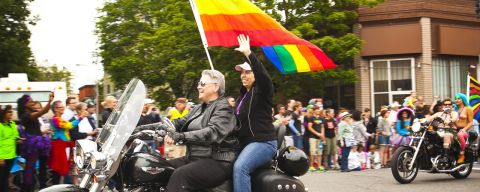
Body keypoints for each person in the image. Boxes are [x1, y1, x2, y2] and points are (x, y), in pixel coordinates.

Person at [163, 69, 238, 191]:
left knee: (180, 175)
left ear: (215, 87)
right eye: (198, 84)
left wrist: (182, 136)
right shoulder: (198, 108)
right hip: (193, 158)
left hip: (217, 161)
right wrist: (143, 128)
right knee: (159, 167)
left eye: (202, 84)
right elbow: (178, 122)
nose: (198, 87)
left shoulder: (224, 108)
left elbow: (213, 132)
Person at [232, 34, 277, 192]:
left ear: (255, 75)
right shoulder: (242, 98)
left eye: (247, 72)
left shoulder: (263, 90)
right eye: (241, 72)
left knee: (240, 168)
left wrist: (248, 53)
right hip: (245, 143)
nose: (243, 75)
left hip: (263, 142)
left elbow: (264, 76)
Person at [17, 94, 53, 191]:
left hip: (39, 143)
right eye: (30, 102)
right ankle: (28, 188)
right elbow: (44, 111)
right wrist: (49, 101)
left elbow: (36, 129)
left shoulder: (31, 112)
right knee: (30, 168)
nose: (33, 102)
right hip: (32, 145)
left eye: (33, 101)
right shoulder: (26, 115)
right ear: (25, 105)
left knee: (40, 167)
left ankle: (40, 186)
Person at [49, 100, 87, 184]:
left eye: (63, 107)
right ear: (55, 109)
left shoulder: (59, 119)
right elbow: (70, 125)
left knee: (63, 168)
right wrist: (81, 117)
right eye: (61, 107)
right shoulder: (56, 120)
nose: (63, 108)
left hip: (63, 147)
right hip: (59, 147)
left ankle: (63, 185)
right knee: (58, 169)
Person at [0, 105, 22, 192]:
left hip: (11, 155)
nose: (11, 113)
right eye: (9, 112)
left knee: (6, 177)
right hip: (3, 156)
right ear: (3, 113)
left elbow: (15, 137)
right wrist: (0, 157)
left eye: (12, 112)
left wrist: (19, 140)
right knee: (1, 178)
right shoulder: (1, 126)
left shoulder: (12, 124)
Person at [454, 93, 473, 164]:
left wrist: (464, 129)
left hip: (464, 130)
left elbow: (471, 122)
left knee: (460, 135)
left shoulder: (468, 109)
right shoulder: (454, 108)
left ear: (463, 99)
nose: (457, 100)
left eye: (459, 98)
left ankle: (462, 154)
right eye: (455, 98)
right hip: (454, 129)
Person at [305, 106, 325, 172]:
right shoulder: (311, 118)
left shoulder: (321, 118)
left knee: (320, 152)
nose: (318, 111)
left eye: (318, 110)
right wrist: (317, 133)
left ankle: (319, 166)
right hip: (312, 137)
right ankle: (311, 166)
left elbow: (322, 127)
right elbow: (309, 127)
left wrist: (322, 134)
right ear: (314, 111)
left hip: (320, 138)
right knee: (312, 152)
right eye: (317, 110)